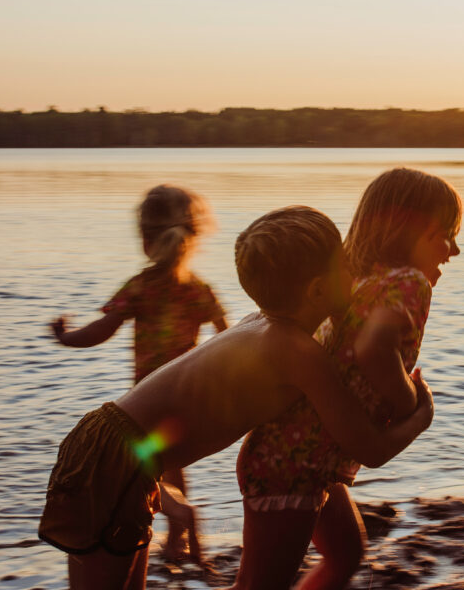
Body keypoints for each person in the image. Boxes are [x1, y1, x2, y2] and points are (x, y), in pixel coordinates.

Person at [38, 206, 435, 590]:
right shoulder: (297, 352)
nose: (356, 272)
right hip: (113, 459)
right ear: (316, 290)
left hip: (114, 447)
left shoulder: (261, 325)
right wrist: (421, 414)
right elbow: (369, 448)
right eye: (346, 265)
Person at [234, 168, 463, 590]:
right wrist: (410, 404)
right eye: (444, 235)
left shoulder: (357, 281)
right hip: (294, 467)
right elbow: (373, 348)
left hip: (297, 458)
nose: (454, 250)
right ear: (409, 231)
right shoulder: (408, 282)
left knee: (345, 554)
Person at [49, 184, 228, 564]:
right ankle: (178, 540)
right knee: (167, 466)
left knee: (135, 469)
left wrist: (65, 337)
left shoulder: (141, 287)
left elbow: (101, 331)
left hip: (148, 403)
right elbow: (229, 339)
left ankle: (179, 518)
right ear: (192, 238)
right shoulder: (199, 289)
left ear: (146, 241)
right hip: (188, 403)